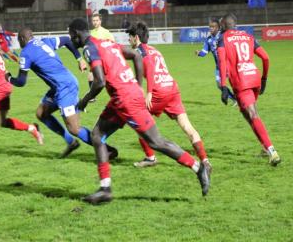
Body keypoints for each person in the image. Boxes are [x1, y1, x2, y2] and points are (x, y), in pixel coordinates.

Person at [68, 18, 210, 204]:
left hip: (127, 100)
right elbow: (135, 55)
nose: (71, 40)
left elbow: (99, 81)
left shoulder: (89, 48)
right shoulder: (107, 43)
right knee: (96, 135)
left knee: (156, 141)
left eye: (71, 36)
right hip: (121, 98)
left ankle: (198, 167)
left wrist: (83, 101)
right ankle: (105, 189)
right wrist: (138, 85)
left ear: (77, 34)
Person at [6, 28, 118, 159]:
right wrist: (78, 58)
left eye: (19, 41)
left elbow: (21, 81)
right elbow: (66, 40)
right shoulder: (44, 41)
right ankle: (71, 143)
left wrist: (7, 77)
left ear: (22, 39)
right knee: (41, 113)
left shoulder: (26, 53)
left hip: (65, 88)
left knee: (74, 128)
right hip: (59, 87)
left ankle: (107, 150)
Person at [127, 22, 211, 170]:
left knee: (138, 121)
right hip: (172, 88)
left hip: (159, 91)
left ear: (136, 37)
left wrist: (150, 92)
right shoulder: (156, 50)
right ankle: (205, 161)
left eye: (130, 37)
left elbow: (151, 68)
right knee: (187, 126)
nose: (128, 40)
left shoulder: (140, 51)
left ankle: (150, 157)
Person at [217, 13, 281, 166]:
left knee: (252, 114)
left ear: (224, 26)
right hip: (254, 78)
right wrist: (264, 79)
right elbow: (265, 58)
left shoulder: (223, 39)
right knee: (247, 114)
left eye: (220, 26)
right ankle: (265, 148)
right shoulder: (248, 36)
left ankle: (272, 152)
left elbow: (222, 62)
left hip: (241, 82)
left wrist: (224, 86)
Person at [195, 18, 237, 105]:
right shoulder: (208, 39)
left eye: (213, 27)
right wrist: (199, 53)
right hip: (219, 67)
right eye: (210, 27)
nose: (211, 28)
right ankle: (234, 98)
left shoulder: (223, 36)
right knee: (219, 85)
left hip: (229, 64)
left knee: (235, 83)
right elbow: (204, 52)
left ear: (218, 28)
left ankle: (243, 99)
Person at [87, 13, 115, 101]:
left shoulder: (106, 32)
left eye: (96, 20)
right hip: (95, 58)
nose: (95, 22)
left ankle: (116, 95)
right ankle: (92, 97)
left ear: (100, 21)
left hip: (105, 59)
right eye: (93, 21)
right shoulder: (91, 33)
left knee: (109, 79)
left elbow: (113, 44)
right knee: (90, 75)